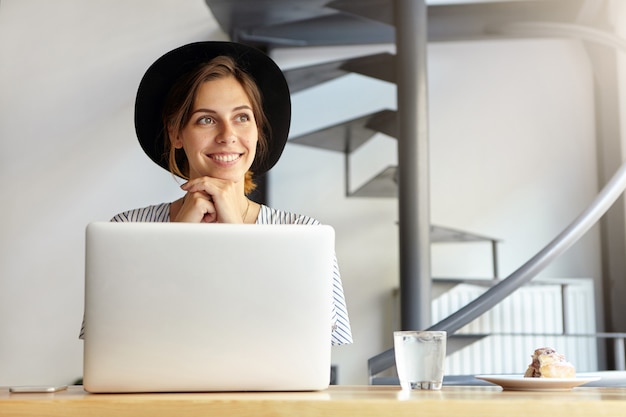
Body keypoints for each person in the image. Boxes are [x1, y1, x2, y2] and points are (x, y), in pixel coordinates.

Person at [80, 41, 352, 346]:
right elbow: (107, 338)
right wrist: (176, 238)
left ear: (258, 130)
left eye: (241, 117)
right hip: (159, 394)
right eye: (206, 119)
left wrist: (237, 236)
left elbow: (318, 341)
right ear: (176, 133)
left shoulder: (304, 235)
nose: (227, 136)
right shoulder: (127, 230)